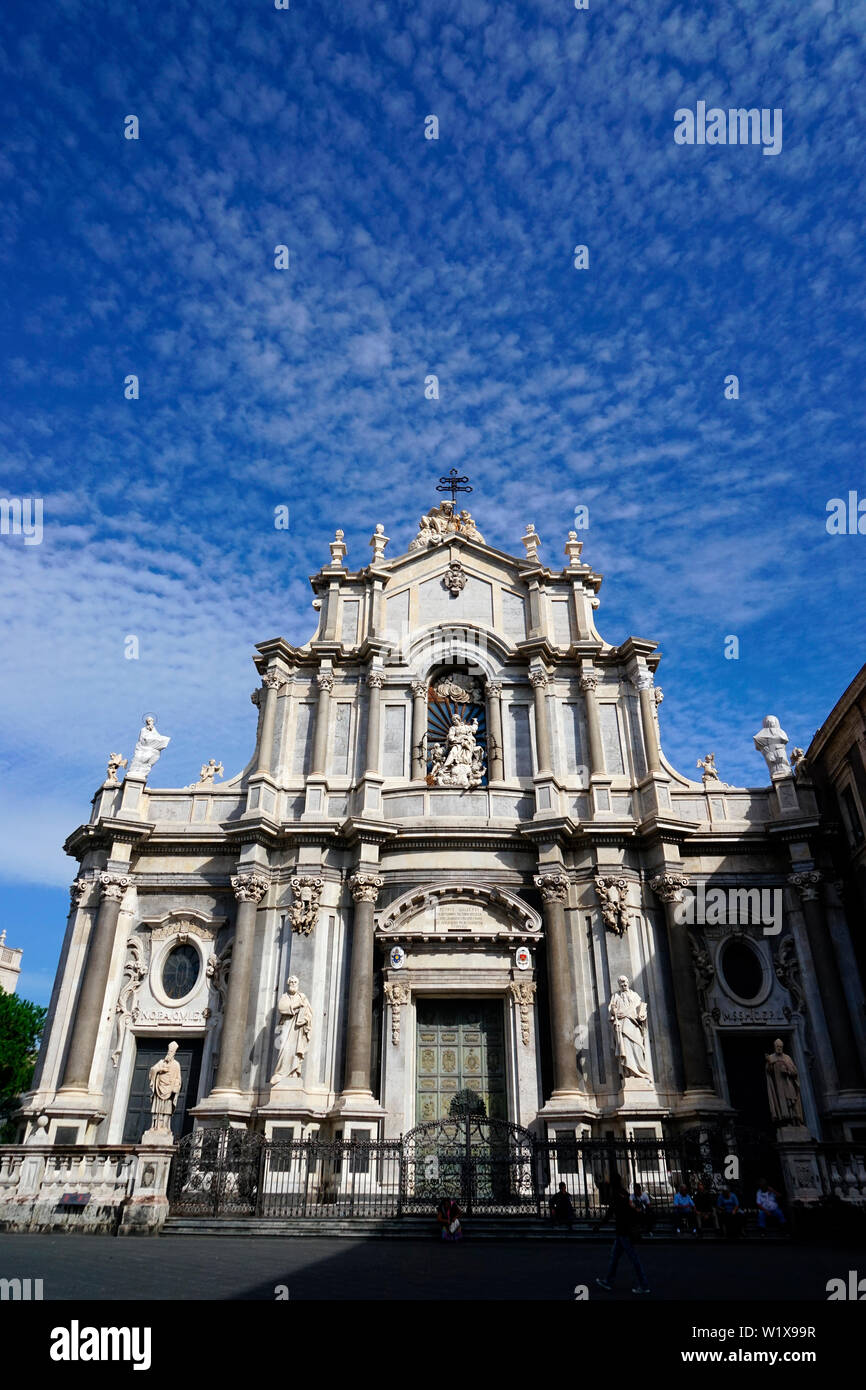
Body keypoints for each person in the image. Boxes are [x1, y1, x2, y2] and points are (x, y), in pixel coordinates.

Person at [595, 1172, 650, 1295]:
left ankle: (644, 1284)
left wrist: (599, 1225)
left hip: (623, 1231)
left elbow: (610, 1213)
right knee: (614, 1257)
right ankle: (608, 1281)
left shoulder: (615, 1194)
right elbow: (631, 1209)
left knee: (634, 1259)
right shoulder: (625, 1193)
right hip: (624, 1231)